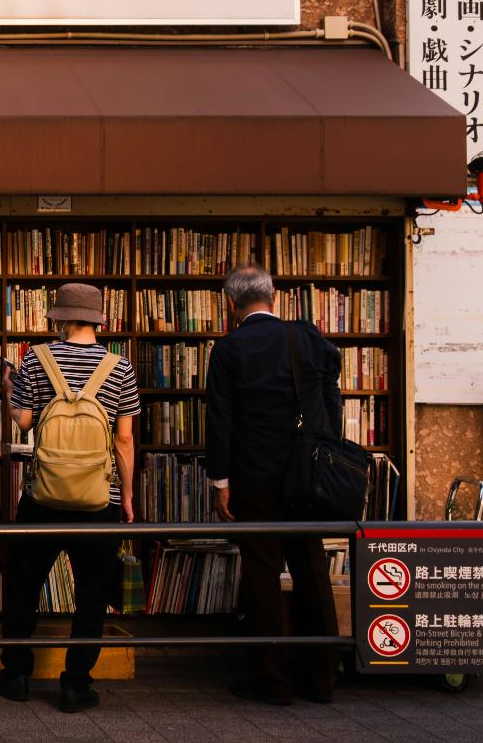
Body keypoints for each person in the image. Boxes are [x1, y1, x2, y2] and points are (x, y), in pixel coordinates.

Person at [0, 282, 139, 714]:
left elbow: (24, 422)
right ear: (95, 320)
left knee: (23, 586)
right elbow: (124, 440)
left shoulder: (36, 359)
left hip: (43, 495)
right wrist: (125, 495)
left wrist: (7, 389)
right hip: (100, 498)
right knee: (92, 593)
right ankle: (75, 685)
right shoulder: (120, 367)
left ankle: (16, 675)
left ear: (62, 319)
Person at [204, 262, 341, 706]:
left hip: (254, 479)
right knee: (311, 568)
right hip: (308, 476)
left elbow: (220, 420)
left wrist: (221, 482)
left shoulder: (229, 350)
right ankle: (321, 676)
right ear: (274, 297)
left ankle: (271, 678)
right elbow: (330, 399)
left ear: (230, 304)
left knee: (262, 572)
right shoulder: (309, 338)